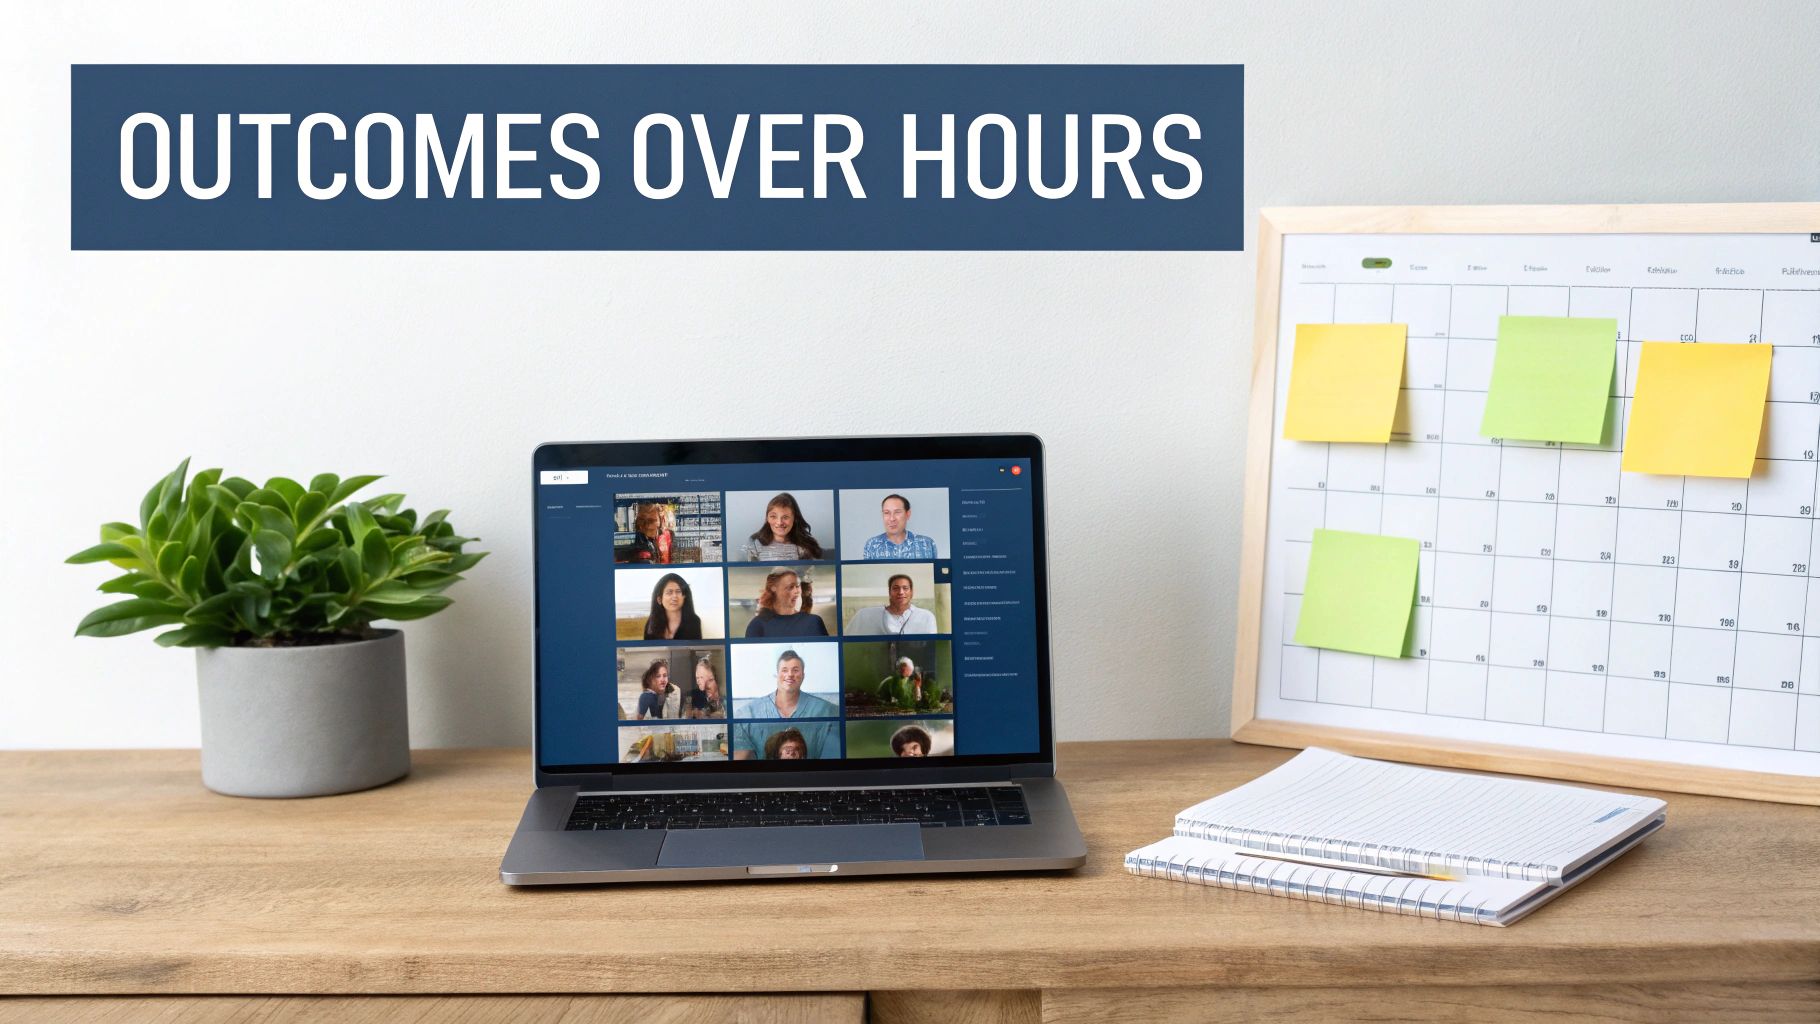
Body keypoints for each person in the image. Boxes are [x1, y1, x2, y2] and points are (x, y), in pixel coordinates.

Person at [732, 649, 839, 759]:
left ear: (803, 675)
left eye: (795, 670)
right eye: (784, 670)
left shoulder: (828, 711)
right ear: (777, 675)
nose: (790, 674)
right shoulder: (746, 714)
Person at [744, 569, 830, 638]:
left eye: (797, 586)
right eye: (790, 587)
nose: (796, 591)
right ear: (774, 588)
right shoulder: (758, 625)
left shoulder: (813, 622)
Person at [741, 492, 826, 561]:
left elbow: (808, 576)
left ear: (795, 518)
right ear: (767, 518)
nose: (779, 522)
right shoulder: (754, 543)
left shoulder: (804, 546)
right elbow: (750, 572)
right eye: (773, 516)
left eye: (785, 517)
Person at [845, 573, 938, 635]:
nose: (901, 592)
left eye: (905, 588)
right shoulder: (865, 615)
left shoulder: (926, 617)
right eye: (896, 588)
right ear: (889, 592)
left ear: (911, 592)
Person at [861, 493, 937, 559]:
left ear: (908, 514)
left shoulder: (926, 544)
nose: (892, 518)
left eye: (897, 512)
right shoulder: (872, 545)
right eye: (887, 513)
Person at [642, 572, 704, 640]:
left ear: (684, 596)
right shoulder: (651, 623)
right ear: (659, 599)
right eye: (669, 592)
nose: (674, 597)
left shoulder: (694, 621)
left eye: (678, 591)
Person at [875, 657, 946, 712]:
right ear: (898, 670)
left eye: (909, 674)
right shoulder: (889, 682)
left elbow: (917, 700)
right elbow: (878, 700)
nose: (906, 678)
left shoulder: (914, 683)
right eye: (902, 673)